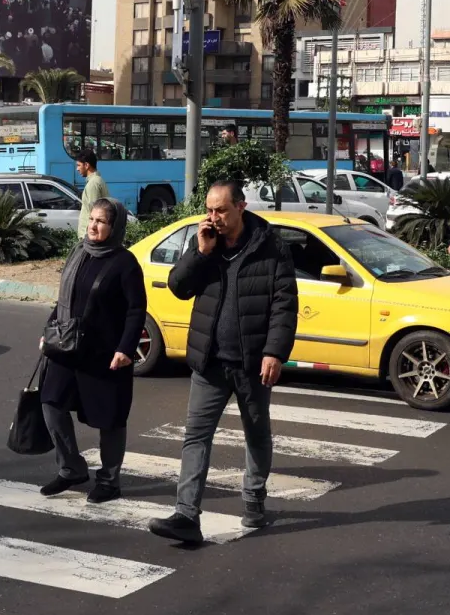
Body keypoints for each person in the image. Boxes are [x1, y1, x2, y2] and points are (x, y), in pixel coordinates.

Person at [147, 180, 298, 544]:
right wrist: (200, 252)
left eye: (221, 211)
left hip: (251, 365)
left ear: (241, 207)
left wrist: (275, 352)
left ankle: (253, 500)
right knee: (195, 437)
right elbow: (179, 287)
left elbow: (284, 303)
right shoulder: (206, 243)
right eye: (209, 210)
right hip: (210, 363)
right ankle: (186, 515)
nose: (213, 217)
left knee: (256, 434)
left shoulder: (271, 246)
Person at [38, 199, 146, 503]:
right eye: (92, 220)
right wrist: (49, 331)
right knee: (51, 402)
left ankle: (109, 482)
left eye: (102, 221)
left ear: (115, 227)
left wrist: (126, 348)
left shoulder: (125, 263)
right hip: (67, 346)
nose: (94, 226)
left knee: (109, 418)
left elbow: (136, 310)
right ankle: (71, 467)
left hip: (105, 353)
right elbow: (63, 298)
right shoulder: (79, 252)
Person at [74, 149, 109, 238]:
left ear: (86, 165)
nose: (77, 169)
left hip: (89, 237)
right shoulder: (97, 180)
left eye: (78, 165)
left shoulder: (93, 184)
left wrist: (90, 236)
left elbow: (94, 213)